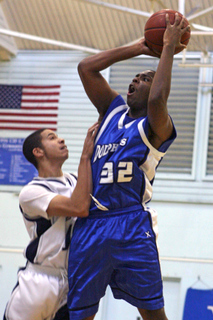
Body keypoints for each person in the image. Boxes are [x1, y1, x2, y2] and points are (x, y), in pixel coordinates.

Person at [67, 13, 190, 320]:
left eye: (145, 78)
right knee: (79, 315)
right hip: (91, 224)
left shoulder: (156, 126)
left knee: (152, 312)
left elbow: (159, 99)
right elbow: (86, 68)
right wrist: (139, 47)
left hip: (131, 225)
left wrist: (167, 50)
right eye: (135, 77)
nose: (136, 80)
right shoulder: (112, 111)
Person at [3, 122, 99, 320]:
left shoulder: (75, 180)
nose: (61, 139)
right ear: (38, 151)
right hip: (39, 281)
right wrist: (85, 156)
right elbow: (78, 207)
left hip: (73, 280)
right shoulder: (31, 191)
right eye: (52, 138)